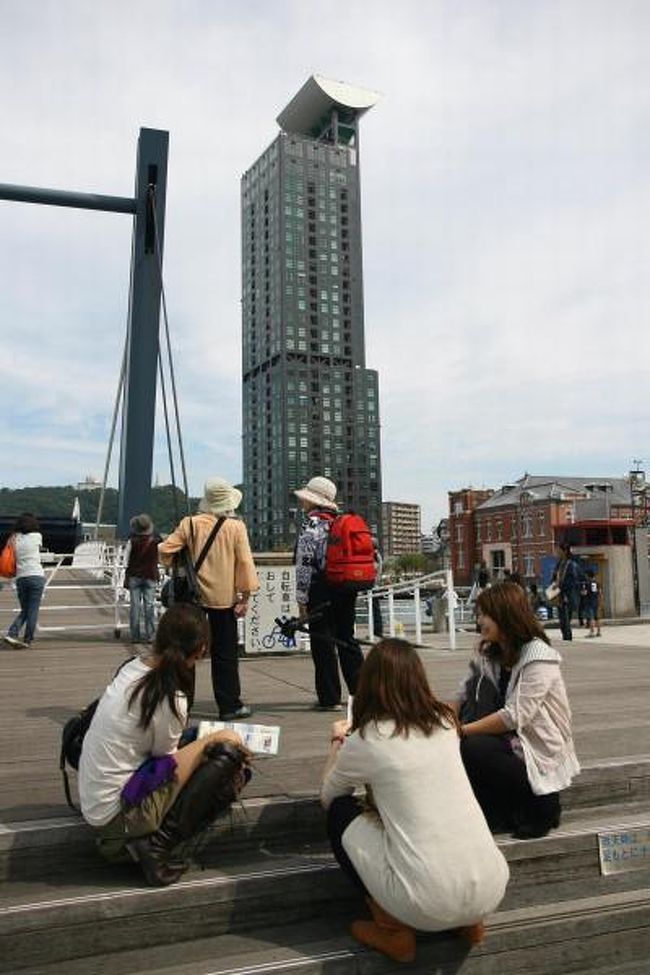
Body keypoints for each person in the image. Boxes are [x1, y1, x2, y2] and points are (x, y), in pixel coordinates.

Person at [320, 638, 509, 963]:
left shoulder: (368, 737)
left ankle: (392, 929)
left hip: (424, 903)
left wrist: (338, 741)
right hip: (491, 889)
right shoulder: (445, 723)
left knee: (339, 813)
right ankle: (471, 923)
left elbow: (329, 795)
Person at [78, 602, 252, 886]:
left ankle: (151, 841)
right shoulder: (170, 699)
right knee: (226, 756)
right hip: (116, 818)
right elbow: (166, 768)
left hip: (98, 801)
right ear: (200, 651)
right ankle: (156, 846)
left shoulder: (132, 668)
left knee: (201, 741)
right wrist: (220, 739)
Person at [457, 582, 579, 840]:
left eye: (484, 614)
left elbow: (515, 715)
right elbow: (461, 697)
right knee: (465, 745)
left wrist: (462, 730)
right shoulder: (488, 656)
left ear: (504, 615)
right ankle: (499, 812)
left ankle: (544, 805)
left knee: (474, 746)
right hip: (506, 742)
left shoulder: (539, 657)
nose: (479, 621)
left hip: (535, 748)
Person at [159, 478, 259, 721]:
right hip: (223, 600)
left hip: (192, 600)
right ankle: (229, 705)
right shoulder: (236, 527)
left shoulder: (190, 524)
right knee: (225, 654)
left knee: (186, 652)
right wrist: (244, 597)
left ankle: (182, 704)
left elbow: (164, 550)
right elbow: (245, 563)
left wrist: (181, 563)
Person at [293, 475, 364, 711]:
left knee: (322, 642)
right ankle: (362, 694)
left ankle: (330, 697)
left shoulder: (311, 525)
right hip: (345, 588)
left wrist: (301, 598)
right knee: (347, 639)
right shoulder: (341, 522)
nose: (303, 503)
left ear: (313, 501)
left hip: (320, 589)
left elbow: (304, 564)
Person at [3, 513, 45, 649]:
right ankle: (27, 639)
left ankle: (13, 633)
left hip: (21, 578)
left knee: (25, 610)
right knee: (32, 610)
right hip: (36, 576)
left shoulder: (14, 538)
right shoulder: (37, 537)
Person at [124, 513, 160, 645]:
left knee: (135, 607)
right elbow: (161, 557)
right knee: (149, 606)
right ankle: (150, 635)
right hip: (150, 575)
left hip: (134, 576)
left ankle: (135, 636)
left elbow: (125, 560)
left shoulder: (131, 541)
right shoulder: (156, 541)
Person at [552, 542, 582, 641]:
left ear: (564, 551)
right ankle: (566, 637)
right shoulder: (559, 564)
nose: (557, 552)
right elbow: (554, 578)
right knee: (562, 622)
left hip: (567, 596)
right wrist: (553, 585)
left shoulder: (571, 565)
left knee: (565, 621)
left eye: (558, 550)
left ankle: (568, 639)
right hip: (559, 596)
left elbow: (573, 581)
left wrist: (560, 585)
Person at [585, 570, 602, 637]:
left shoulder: (588, 583)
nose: (585, 576)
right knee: (597, 617)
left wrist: (583, 593)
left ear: (588, 576)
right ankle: (598, 632)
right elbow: (600, 592)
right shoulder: (597, 583)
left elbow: (586, 593)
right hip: (596, 601)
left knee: (591, 617)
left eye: (586, 575)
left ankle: (592, 632)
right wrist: (600, 601)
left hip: (590, 602)